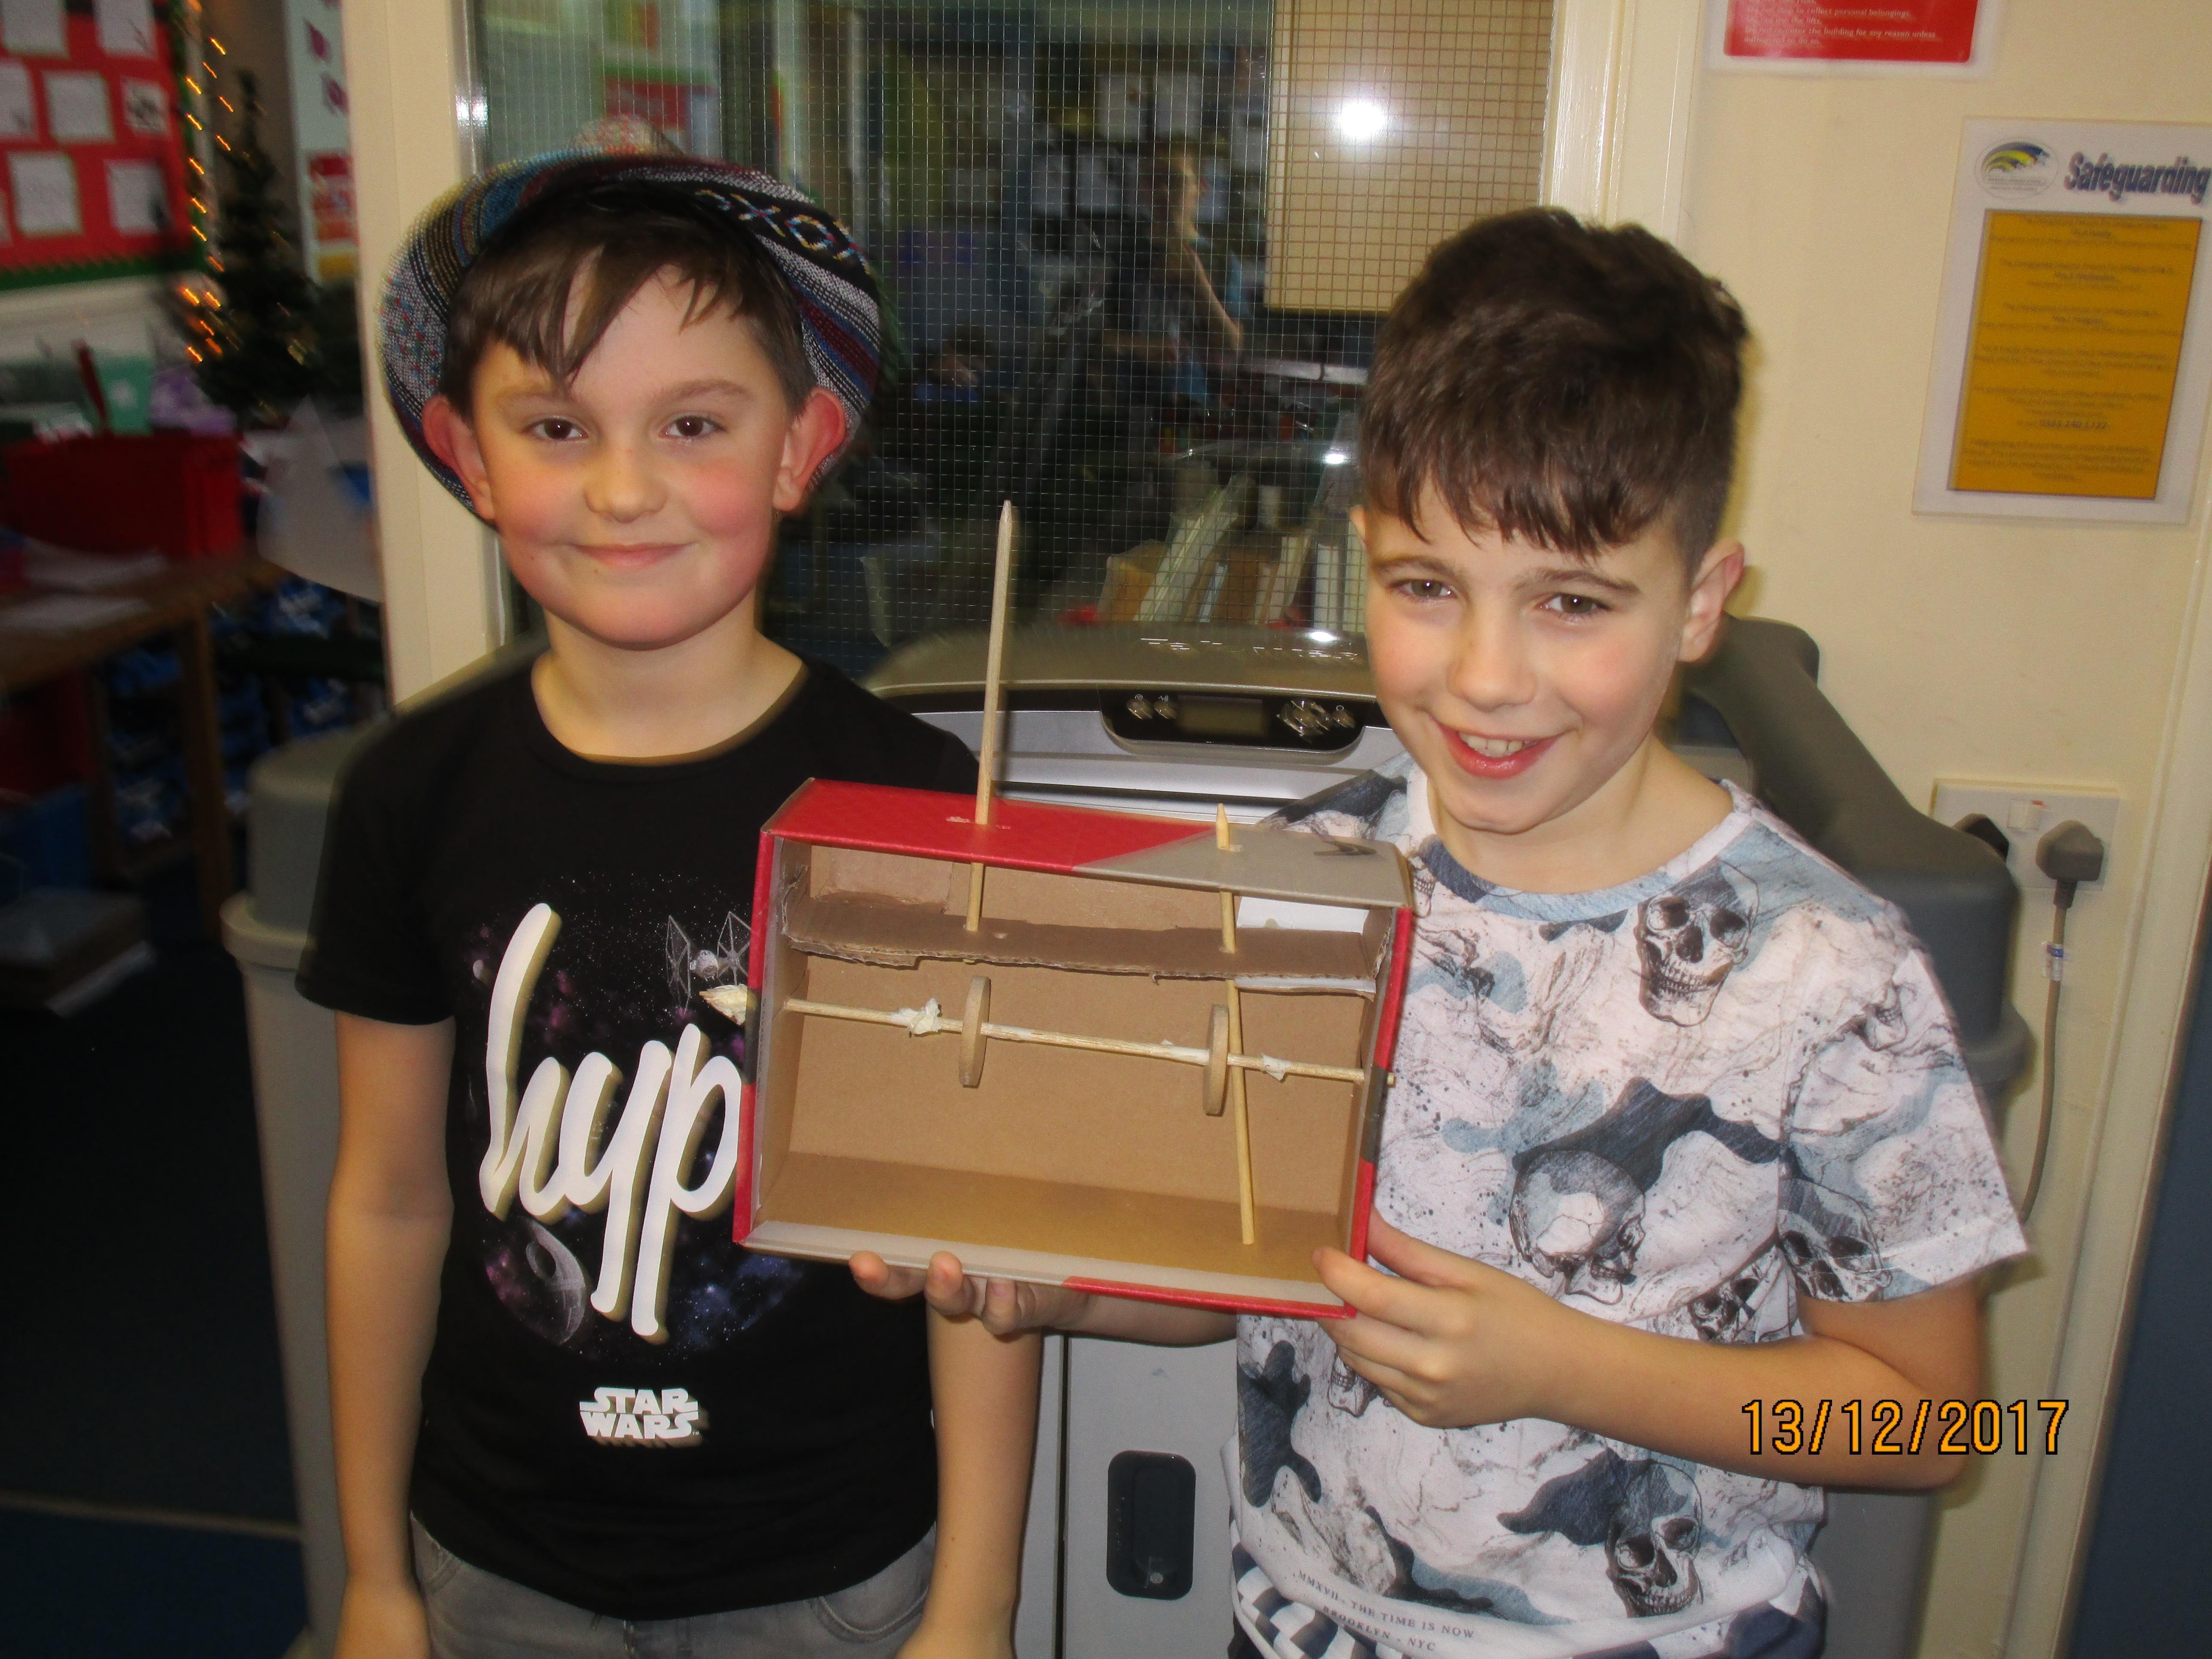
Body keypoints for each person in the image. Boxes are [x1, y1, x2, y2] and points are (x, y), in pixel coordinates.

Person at [856, 207, 2028, 1659]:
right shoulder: (1300, 876)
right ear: (1366, 562)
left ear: (1702, 603)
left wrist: (1566, 1368)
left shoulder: (1835, 973)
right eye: (1427, 587)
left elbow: (1943, 1424)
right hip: (1298, 1619)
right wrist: (1061, 1289)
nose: (1485, 676)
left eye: (1573, 602)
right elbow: (1258, 1284)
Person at [302, 152, 1039, 1659]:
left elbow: (971, 1239)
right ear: (467, 456)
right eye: (556, 428)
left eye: (692, 425)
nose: (623, 488)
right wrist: (375, 1574)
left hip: (828, 1572)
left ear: (798, 448)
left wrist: (976, 1605)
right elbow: (386, 1198)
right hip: (494, 1561)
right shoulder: (409, 795)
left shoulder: (913, 800)